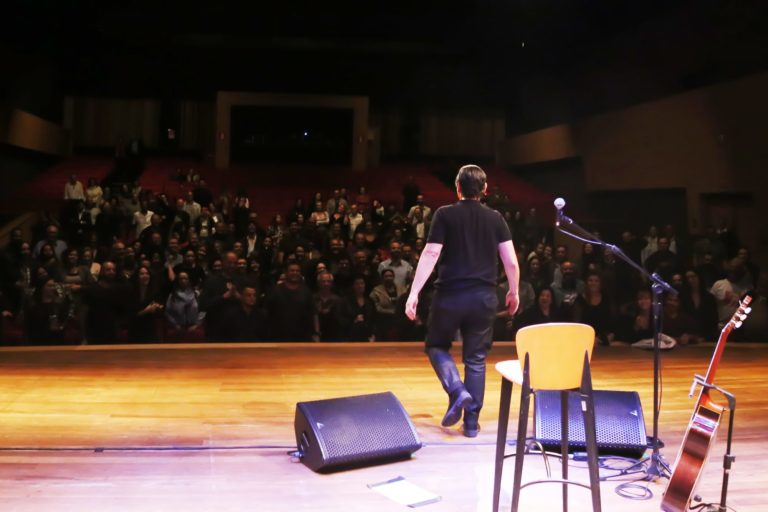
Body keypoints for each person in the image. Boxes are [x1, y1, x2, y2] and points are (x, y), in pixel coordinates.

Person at [405, 165, 519, 438]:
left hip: (450, 297)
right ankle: (470, 424)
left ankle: (457, 390)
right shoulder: (496, 218)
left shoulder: (445, 214)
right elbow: (511, 262)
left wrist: (414, 292)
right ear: (485, 190)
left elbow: (431, 254)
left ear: (457, 188)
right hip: (483, 298)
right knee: (476, 359)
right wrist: (513, 291)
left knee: (436, 346)